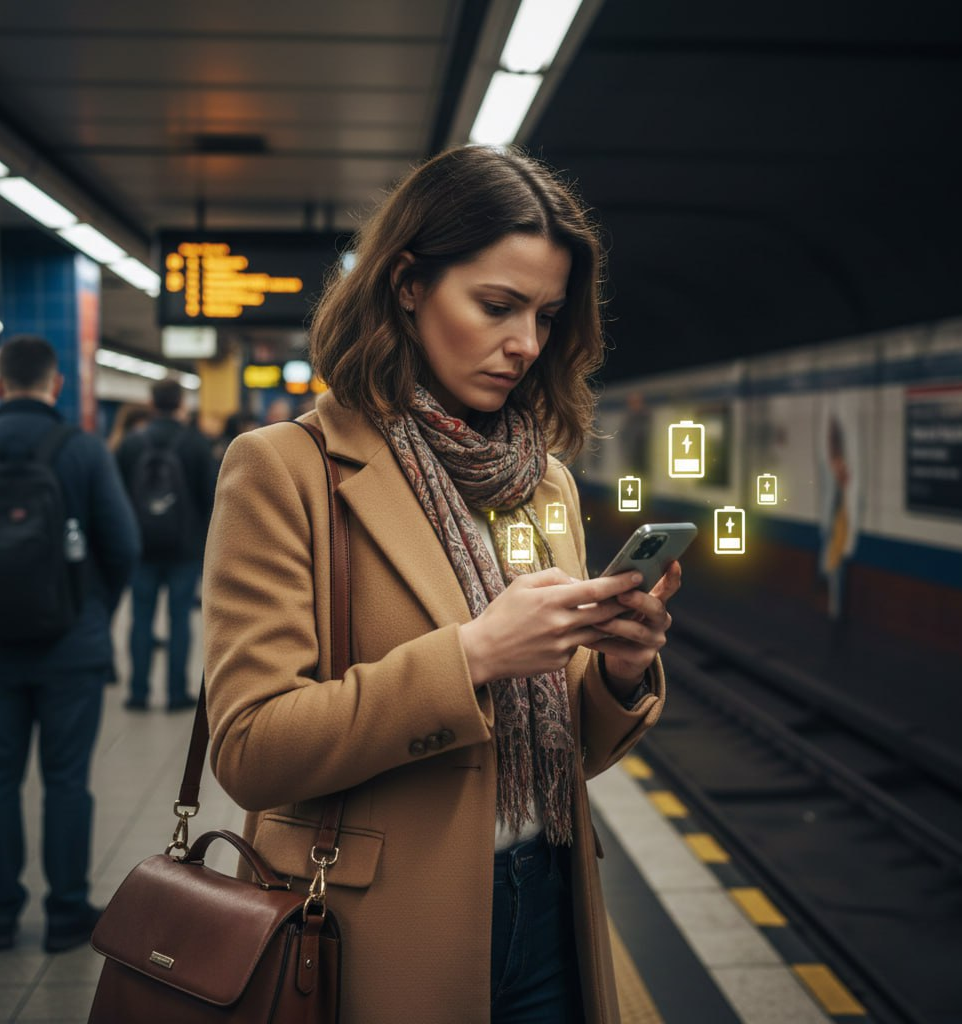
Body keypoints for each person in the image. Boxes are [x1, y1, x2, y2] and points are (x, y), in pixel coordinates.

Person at [203, 145, 681, 1023]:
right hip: (372, 929)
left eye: (545, 315)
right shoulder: (287, 471)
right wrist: (471, 657)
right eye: (497, 306)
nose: (525, 345)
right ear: (407, 284)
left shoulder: (543, 482)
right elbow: (251, 749)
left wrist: (614, 673)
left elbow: (563, 748)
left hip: (552, 905)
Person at [0, 335, 140, 953]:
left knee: (0, 781)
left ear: (2, 383)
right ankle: (63, 915)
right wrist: (91, 611)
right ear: (57, 385)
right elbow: (123, 543)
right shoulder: (81, 449)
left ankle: (1, 915)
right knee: (66, 781)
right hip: (71, 650)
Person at [117, 379, 215, 711]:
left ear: (151, 401)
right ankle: (176, 693)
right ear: (181, 403)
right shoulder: (197, 444)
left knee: (141, 619)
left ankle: (138, 692)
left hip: (141, 548)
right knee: (179, 621)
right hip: (183, 551)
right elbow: (211, 500)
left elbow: (117, 499)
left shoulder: (131, 443)